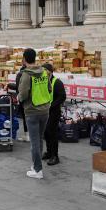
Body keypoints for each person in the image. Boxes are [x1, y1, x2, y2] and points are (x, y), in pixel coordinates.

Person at [17, 48, 51, 179]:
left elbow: (23, 94)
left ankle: (37, 170)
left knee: (34, 142)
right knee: (40, 140)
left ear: (24, 59)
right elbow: (49, 88)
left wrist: (19, 98)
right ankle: (37, 165)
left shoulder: (26, 74)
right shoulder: (44, 71)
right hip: (45, 110)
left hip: (32, 111)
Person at [41, 63, 66, 166]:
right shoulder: (42, 81)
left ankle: (55, 156)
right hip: (44, 111)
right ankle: (49, 152)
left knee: (52, 133)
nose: (43, 72)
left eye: (45, 70)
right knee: (46, 132)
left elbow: (62, 97)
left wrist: (52, 105)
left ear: (50, 72)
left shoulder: (57, 82)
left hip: (54, 111)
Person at [15, 64, 29, 142]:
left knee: (24, 117)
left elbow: (18, 88)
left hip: (23, 99)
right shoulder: (33, 74)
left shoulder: (20, 74)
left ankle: (27, 135)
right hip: (34, 99)